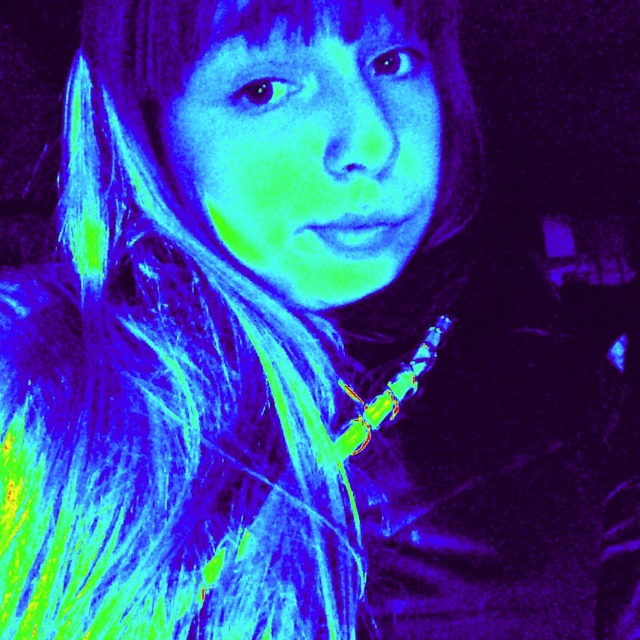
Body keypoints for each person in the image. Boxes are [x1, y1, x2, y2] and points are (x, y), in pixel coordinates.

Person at [0, 0, 482, 638]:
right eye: (264, 90)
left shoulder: (568, 403)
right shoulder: (34, 384)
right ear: (148, 129)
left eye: (394, 62)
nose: (373, 141)